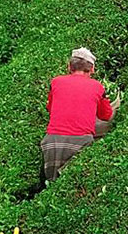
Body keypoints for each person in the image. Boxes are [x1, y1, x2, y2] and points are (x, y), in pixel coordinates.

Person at [40, 48, 120, 182]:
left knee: (51, 185)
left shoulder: (56, 82)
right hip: (81, 142)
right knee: (74, 183)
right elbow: (106, 116)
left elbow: (50, 108)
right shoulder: (97, 87)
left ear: (69, 66)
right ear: (92, 69)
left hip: (52, 142)